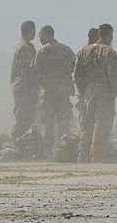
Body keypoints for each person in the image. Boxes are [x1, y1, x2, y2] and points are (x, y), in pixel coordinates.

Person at [72, 23, 117, 163]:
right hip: (105, 92)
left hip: (89, 91)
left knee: (87, 123)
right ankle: (97, 155)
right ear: (109, 35)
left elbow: (77, 74)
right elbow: (113, 75)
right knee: (102, 123)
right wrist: (115, 90)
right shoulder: (109, 52)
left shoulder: (84, 51)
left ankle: (82, 155)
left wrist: (83, 90)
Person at [34, 24, 76, 158]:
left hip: (48, 92)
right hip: (63, 92)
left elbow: (35, 70)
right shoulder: (66, 50)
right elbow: (74, 66)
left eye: (41, 36)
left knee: (48, 123)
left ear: (47, 34)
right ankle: (64, 151)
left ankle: (48, 153)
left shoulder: (41, 51)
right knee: (64, 122)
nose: (39, 39)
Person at [10, 20, 39, 139]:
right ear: (30, 31)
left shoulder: (23, 46)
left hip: (23, 88)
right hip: (25, 89)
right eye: (34, 30)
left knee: (27, 119)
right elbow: (26, 71)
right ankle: (19, 143)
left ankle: (24, 145)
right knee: (23, 118)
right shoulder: (25, 48)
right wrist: (32, 90)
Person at [74, 27, 100, 129]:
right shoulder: (85, 52)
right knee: (86, 119)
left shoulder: (84, 51)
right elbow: (76, 72)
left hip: (90, 91)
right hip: (86, 91)